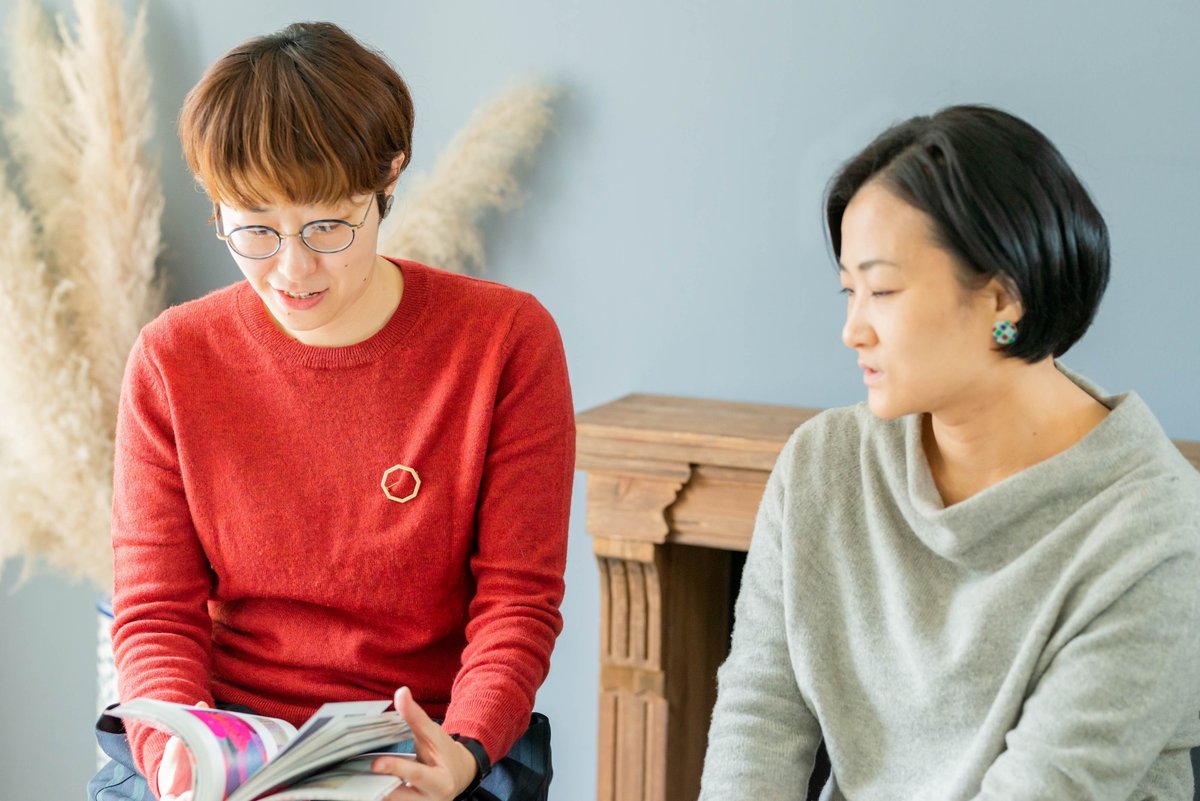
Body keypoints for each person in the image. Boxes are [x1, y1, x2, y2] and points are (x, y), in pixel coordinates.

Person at [88, 21, 574, 801]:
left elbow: (517, 603)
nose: (292, 268)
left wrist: (464, 746)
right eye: (253, 228)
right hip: (230, 741)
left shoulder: (504, 342)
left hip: (424, 740)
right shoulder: (172, 358)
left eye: (327, 225)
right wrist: (176, 757)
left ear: (389, 174)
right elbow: (154, 613)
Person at [699, 105, 1200, 800]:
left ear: (1003, 297)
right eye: (848, 291)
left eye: (881, 290)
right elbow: (760, 712)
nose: (852, 329)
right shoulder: (825, 463)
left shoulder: (1157, 532)